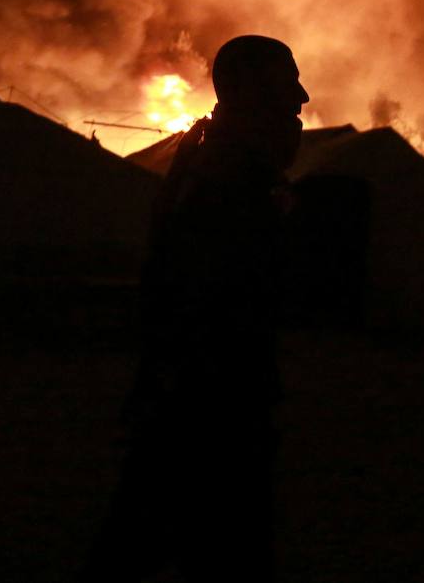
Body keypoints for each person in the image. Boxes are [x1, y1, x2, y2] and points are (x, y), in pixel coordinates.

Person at [80, 35, 310, 583]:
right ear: (243, 92)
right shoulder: (225, 184)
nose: (301, 100)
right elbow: (206, 304)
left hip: (196, 404)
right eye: (285, 86)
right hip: (207, 409)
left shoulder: (219, 169)